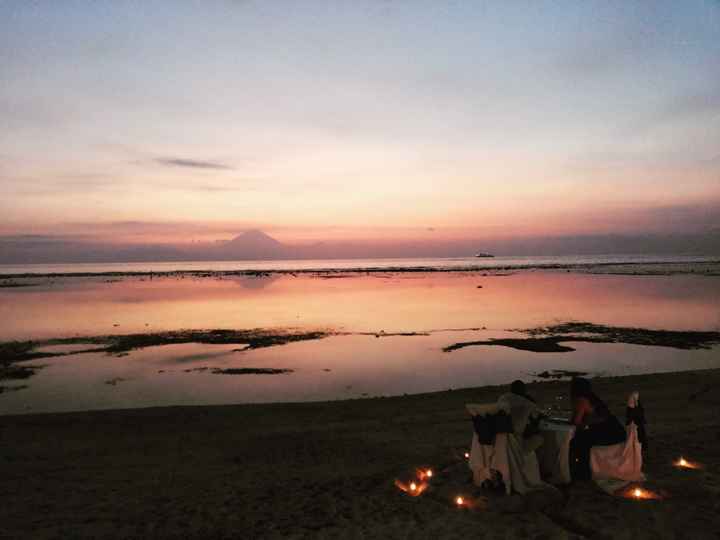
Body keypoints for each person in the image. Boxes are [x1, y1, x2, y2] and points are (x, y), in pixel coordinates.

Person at [569, 377, 626, 480]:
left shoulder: (581, 400)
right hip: (615, 430)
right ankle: (581, 471)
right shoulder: (591, 398)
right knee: (580, 439)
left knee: (579, 443)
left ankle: (583, 473)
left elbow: (576, 422)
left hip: (611, 432)